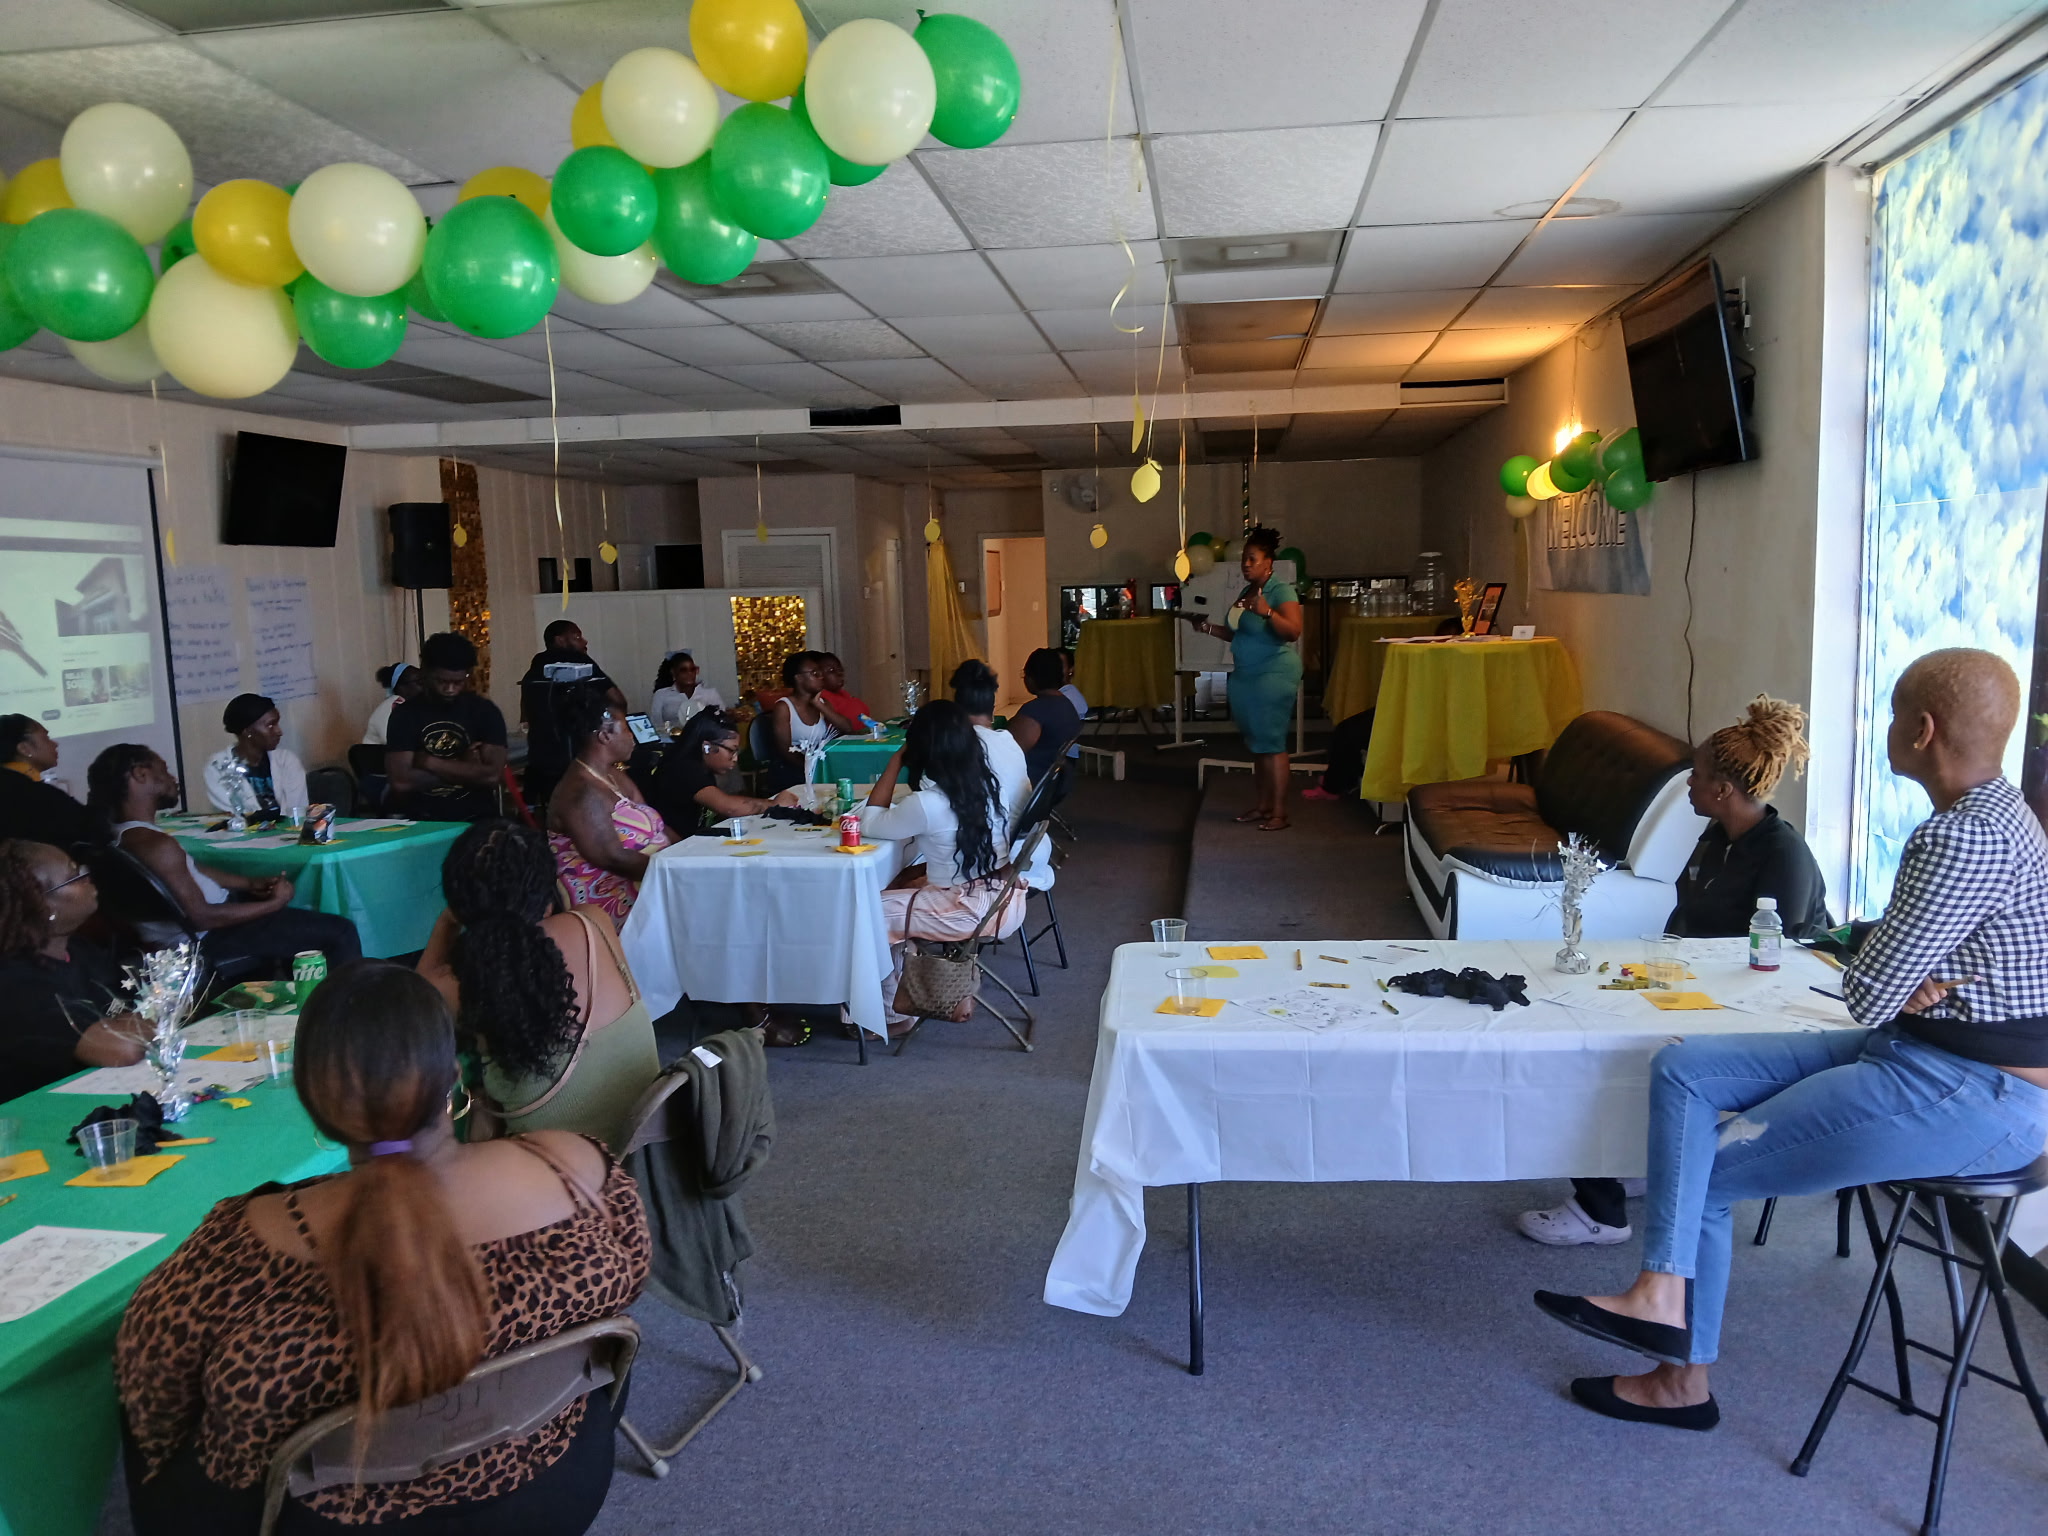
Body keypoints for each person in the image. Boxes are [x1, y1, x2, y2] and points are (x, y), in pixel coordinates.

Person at [1534, 649, 2048, 1432]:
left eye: (1889, 715)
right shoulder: (2002, 815)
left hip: (1969, 1089)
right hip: (1927, 1052)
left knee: (1704, 1173)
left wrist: (1896, 967)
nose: (1884, 730)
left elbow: (1868, 991)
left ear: (1922, 728)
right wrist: (1903, 964)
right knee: (1686, 1070)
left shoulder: (1958, 840)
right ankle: (1660, 1288)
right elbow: (1886, 964)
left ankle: (1681, 1380)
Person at [114, 959, 650, 1532]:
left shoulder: (235, 1254)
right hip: (559, 1485)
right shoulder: (580, 1171)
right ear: (454, 1072)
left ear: (314, 1099)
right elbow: (634, 1280)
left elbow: (151, 1399)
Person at [1519, 695, 1832, 1247]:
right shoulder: (1718, 836)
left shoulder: (1784, 859)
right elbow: (1687, 923)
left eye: (1697, 775)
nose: (1687, 783)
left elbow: (1786, 966)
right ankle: (1638, 1156)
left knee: (1601, 1053)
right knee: (1574, 1011)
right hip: (1693, 991)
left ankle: (1601, 1211)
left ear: (1723, 792)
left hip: (1748, 1016)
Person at [419, 821, 660, 1151]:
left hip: (557, 1181)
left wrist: (447, 921)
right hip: (650, 1154)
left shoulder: (461, 984)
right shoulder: (593, 924)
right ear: (547, 894)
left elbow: (417, 998)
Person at [89, 744, 362, 968]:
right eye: (165, 769)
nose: (173, 779)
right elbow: (202, 917)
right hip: (209, 938)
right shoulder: (155, 844)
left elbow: (192, 869)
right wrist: (274, 904)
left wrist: (248, 884)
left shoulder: (124, 836)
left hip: (195, 931)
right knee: (340, 932)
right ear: (140, 775)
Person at [862, 700, 1026, 1036]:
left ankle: (891, 1016)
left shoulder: (926, 804)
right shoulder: (987, 785)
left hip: (969, 909)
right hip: (1005, 899)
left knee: (863, 914)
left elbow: (870, 823)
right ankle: (903, 989)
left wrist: (895, 761)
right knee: (892, 892)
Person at [1177, 526, 1303, 830]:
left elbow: (1293, 630)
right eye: (1244, 559)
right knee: (1258, 744)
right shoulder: (1246, 591)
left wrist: (1268, 612)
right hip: (1246, 675)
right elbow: (1236, 634)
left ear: (1268, 563)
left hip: (1273, 671)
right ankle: (1262, 806)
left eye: (1252, 559)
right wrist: (1205, 627)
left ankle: (1279, 813)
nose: (1245, 564)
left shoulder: (1279, 590)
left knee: (1272, 743)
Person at [0, 839, 145, 1100]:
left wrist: (127, 1024)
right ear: (43, 906)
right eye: (73, 876)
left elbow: (128, 1010)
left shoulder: (78, 951)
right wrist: (144, 1024)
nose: (88, 877)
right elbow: (123, 1049)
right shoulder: (18, 984)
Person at [544, 685, 671, 928]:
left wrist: (688, 851)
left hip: (647, 878)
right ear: (604, 736)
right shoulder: (581, 791)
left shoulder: (614, 775)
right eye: (626, 729)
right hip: (611, 897)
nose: (632, 736)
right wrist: (674, 871)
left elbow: (658, 826)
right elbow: (613, 858)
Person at [386, 631, 509, 823]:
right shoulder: (405, 715)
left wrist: (431, 763)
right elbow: (401, 782)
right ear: (425, 673)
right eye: (442, 681)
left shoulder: (485, 711)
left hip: (477, 819)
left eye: (458, 682)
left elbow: (492, 776)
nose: (450, 689)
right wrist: (468, 768)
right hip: (422, 821)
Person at [520, 621, 627, 807]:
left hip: (541, 760)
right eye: (577, 637)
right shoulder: (580, 661)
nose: (584, 641)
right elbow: (617, 700)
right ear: (559, 640)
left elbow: (525, 712)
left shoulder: (536, 667)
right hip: (579, 758)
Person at [647, 709, 799, 836]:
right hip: (674, 849)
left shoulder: (700, 766)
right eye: (731, 751)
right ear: (707, 747)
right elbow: (729, 807)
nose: (735, 758)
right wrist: (774, 805)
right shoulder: (684, 769)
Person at [766, 652, 859, 795]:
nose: (821, 677)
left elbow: (847, 728)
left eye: (820, 673)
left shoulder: (822, 703)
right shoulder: (784, 707)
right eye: (815, 673)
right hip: (793, 771)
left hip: (816, 768)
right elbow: (785, 750)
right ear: (798, 678)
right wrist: (813, 768)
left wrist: (819, 705)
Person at [202, 694, 308, 819]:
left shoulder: (287, 761)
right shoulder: (218, 766)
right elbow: (236, 815)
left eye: (277, 724)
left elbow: (297, 811)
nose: (279, 732)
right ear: (247, 731)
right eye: (270, 725)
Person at [0, 714, 95, 851]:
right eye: (46, 738)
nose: (55, 744)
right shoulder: (37, 796)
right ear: (25, 749)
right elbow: (90, 830)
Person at [1006, 648, 1082, 785]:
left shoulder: (1035, 711)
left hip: (1027, 784)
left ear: (1032, 677)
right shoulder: (1066, 704)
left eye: (1025, 673)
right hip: (1053, 783)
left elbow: (1008, 753)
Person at [648, 650, 723, 735]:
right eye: (683, 670)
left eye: (693, 669)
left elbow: (721, 722)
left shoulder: (710, 694)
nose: (689, 673)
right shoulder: (661, 695)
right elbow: (655, 725)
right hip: (672, 743)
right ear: (673, 672)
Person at [362, 661, 424, 746]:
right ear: (401, 688)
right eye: (420, 682)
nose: (426, 685)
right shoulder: (391, 707)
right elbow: (393, 740)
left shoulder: (415, 705)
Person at [818, 653, 873, 726]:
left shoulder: (843, 694)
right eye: (831, 670)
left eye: (840, 669)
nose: (839, 673)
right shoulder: (822, 698)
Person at [1058, 648, 1087, 762]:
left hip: (1063, 758)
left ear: (1071, 670)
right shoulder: (1059, 694)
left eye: (1060, 666)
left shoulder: (1070, 697)